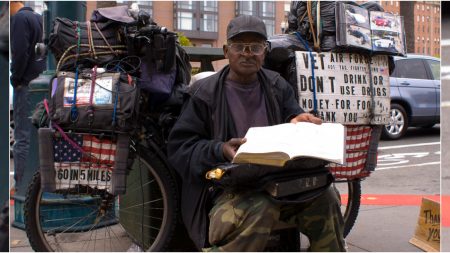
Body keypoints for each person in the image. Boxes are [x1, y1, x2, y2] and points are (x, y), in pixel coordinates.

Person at [168, 15, 345, 251]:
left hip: (278, 184)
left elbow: (292, 117)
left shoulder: (277, 85)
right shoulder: (205, 94)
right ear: (226, 51)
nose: (248, 53)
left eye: (256, 47)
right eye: (239, 46)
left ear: (266, 51)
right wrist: (219, 149)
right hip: (226, 191)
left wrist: (299, 122)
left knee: (327, 198)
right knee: (261, 208)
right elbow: (181, 148)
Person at [10, 1, 46, 189]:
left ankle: (21, 184)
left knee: (21, 137)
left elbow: (19, 53)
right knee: (35, 137)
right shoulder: (39, 19)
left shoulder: (19, 19)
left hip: (25, 84)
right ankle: (33, 184)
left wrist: (15, 78)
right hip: (40, 84)